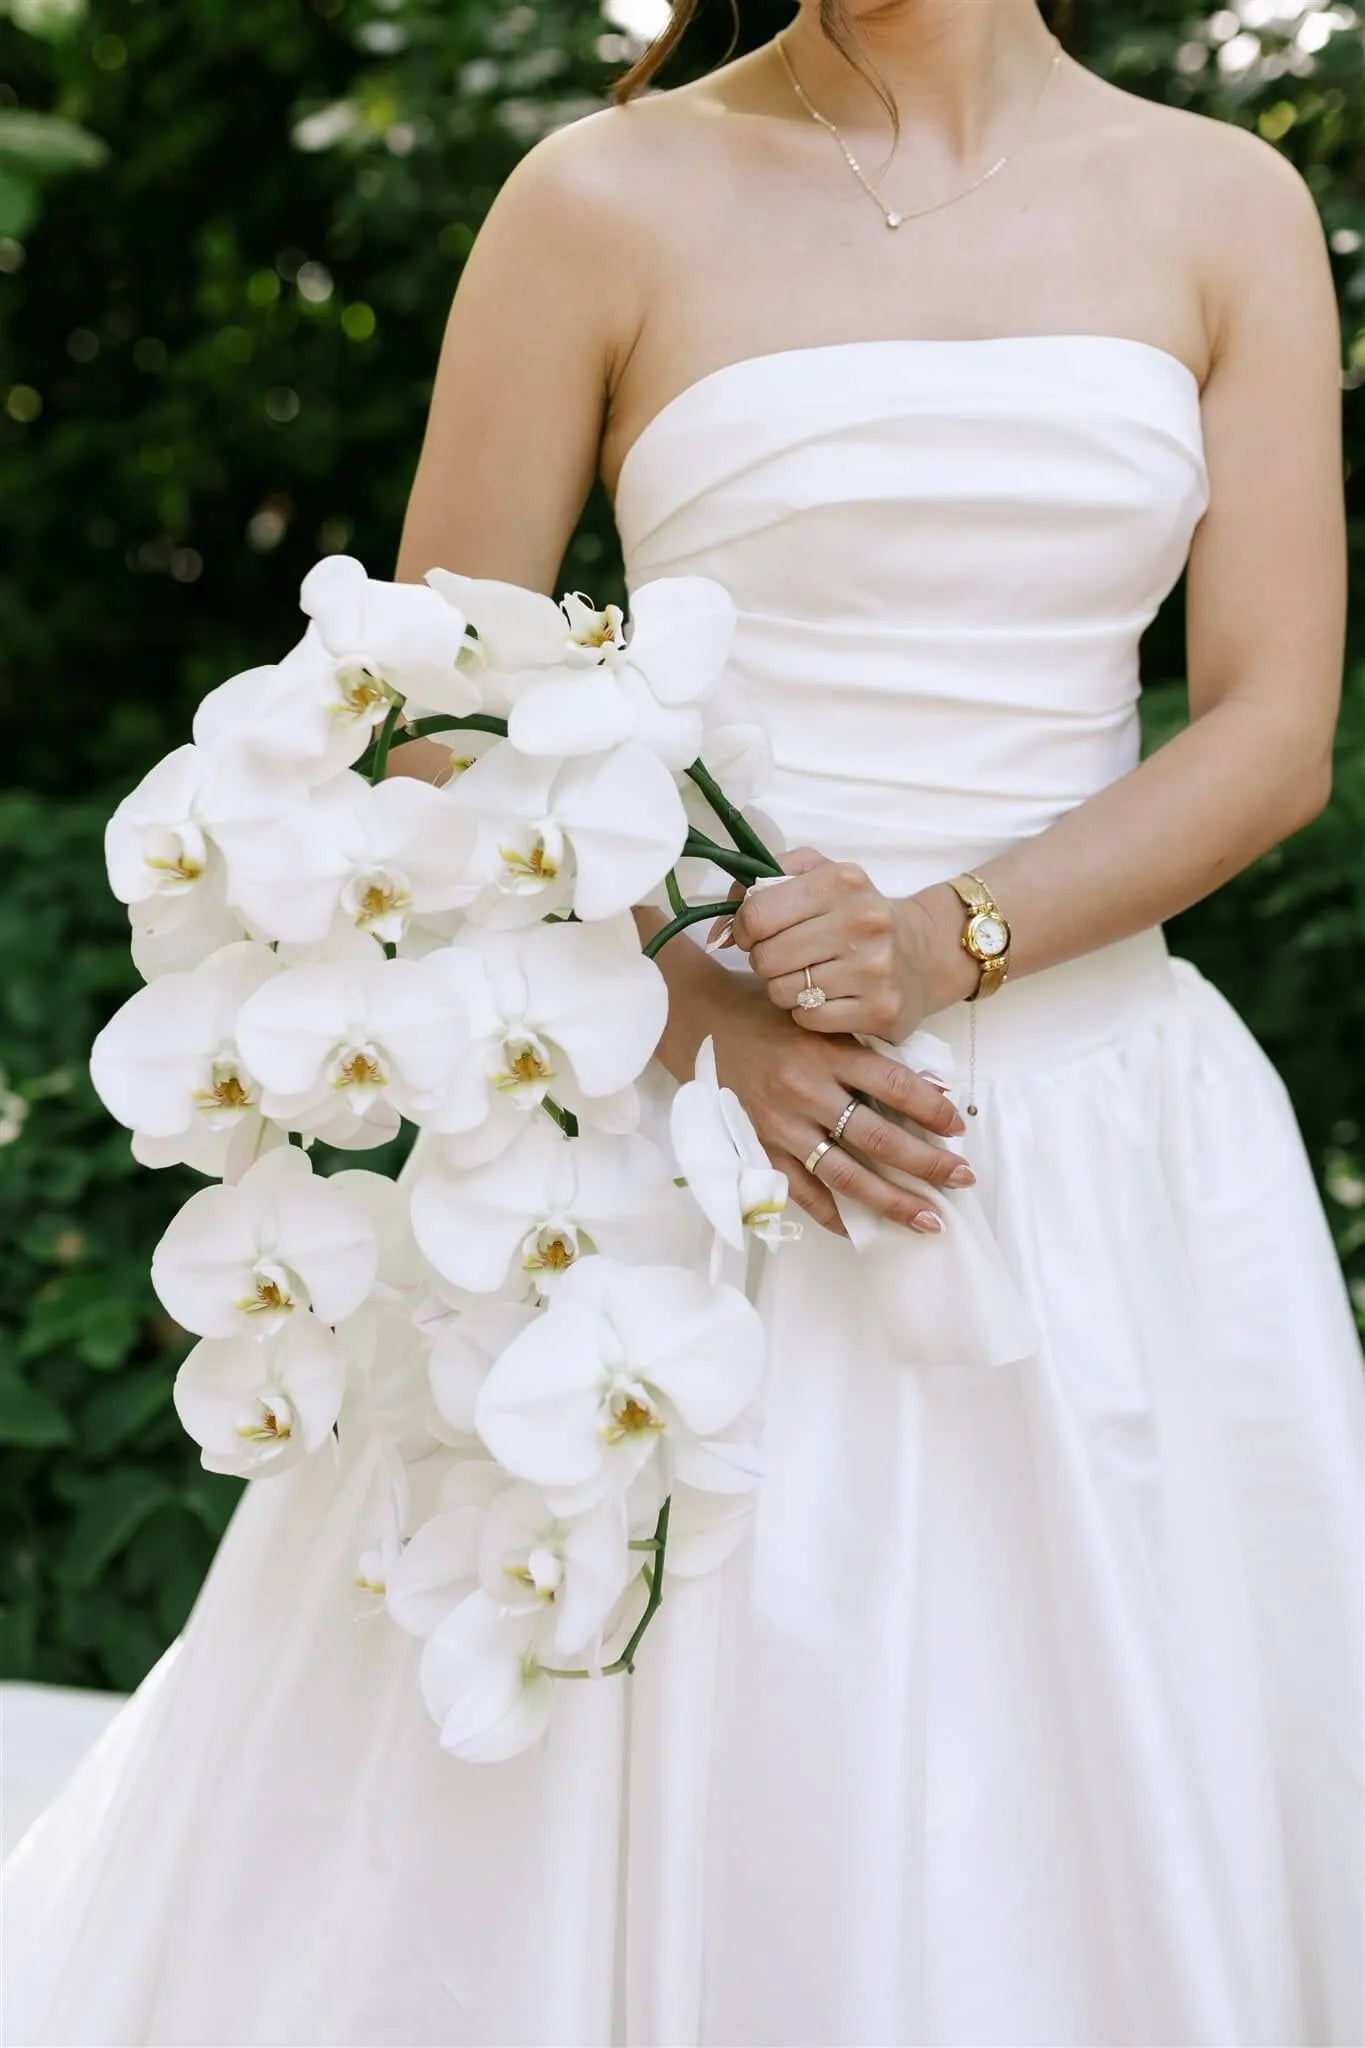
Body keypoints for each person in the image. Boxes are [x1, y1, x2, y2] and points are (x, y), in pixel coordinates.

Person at [4, 3, 1362, 2043]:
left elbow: (1268, 728)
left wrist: (944, 943)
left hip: (1103, 1156)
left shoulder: (1221, 202)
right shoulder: (596, 198)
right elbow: (430, 712)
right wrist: (692, 1018)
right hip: (677, 1147)